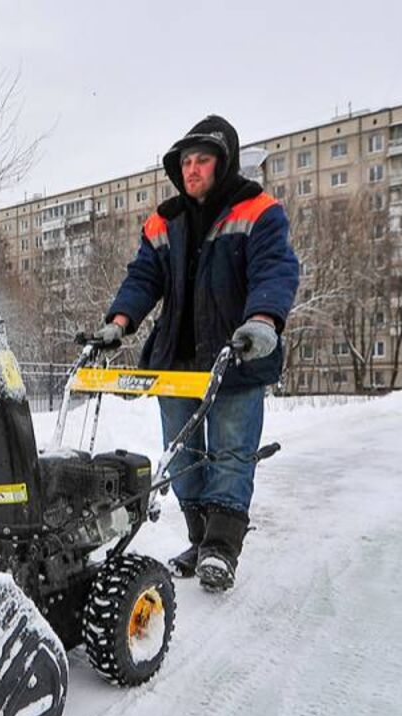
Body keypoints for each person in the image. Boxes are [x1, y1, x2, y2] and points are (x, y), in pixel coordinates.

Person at [95, 115, 299, 592]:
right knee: (184, 454)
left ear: (223, 162)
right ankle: (198, 539)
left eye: (202, 160)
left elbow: (275, 270)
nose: (191, 169)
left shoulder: (258, 211)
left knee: (230, 452)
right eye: (185, 161)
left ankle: (221, 550)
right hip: (177, 362)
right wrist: (118, 322)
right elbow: (144, 277)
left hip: (237, 355)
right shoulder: (165, 221)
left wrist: (263, 321)